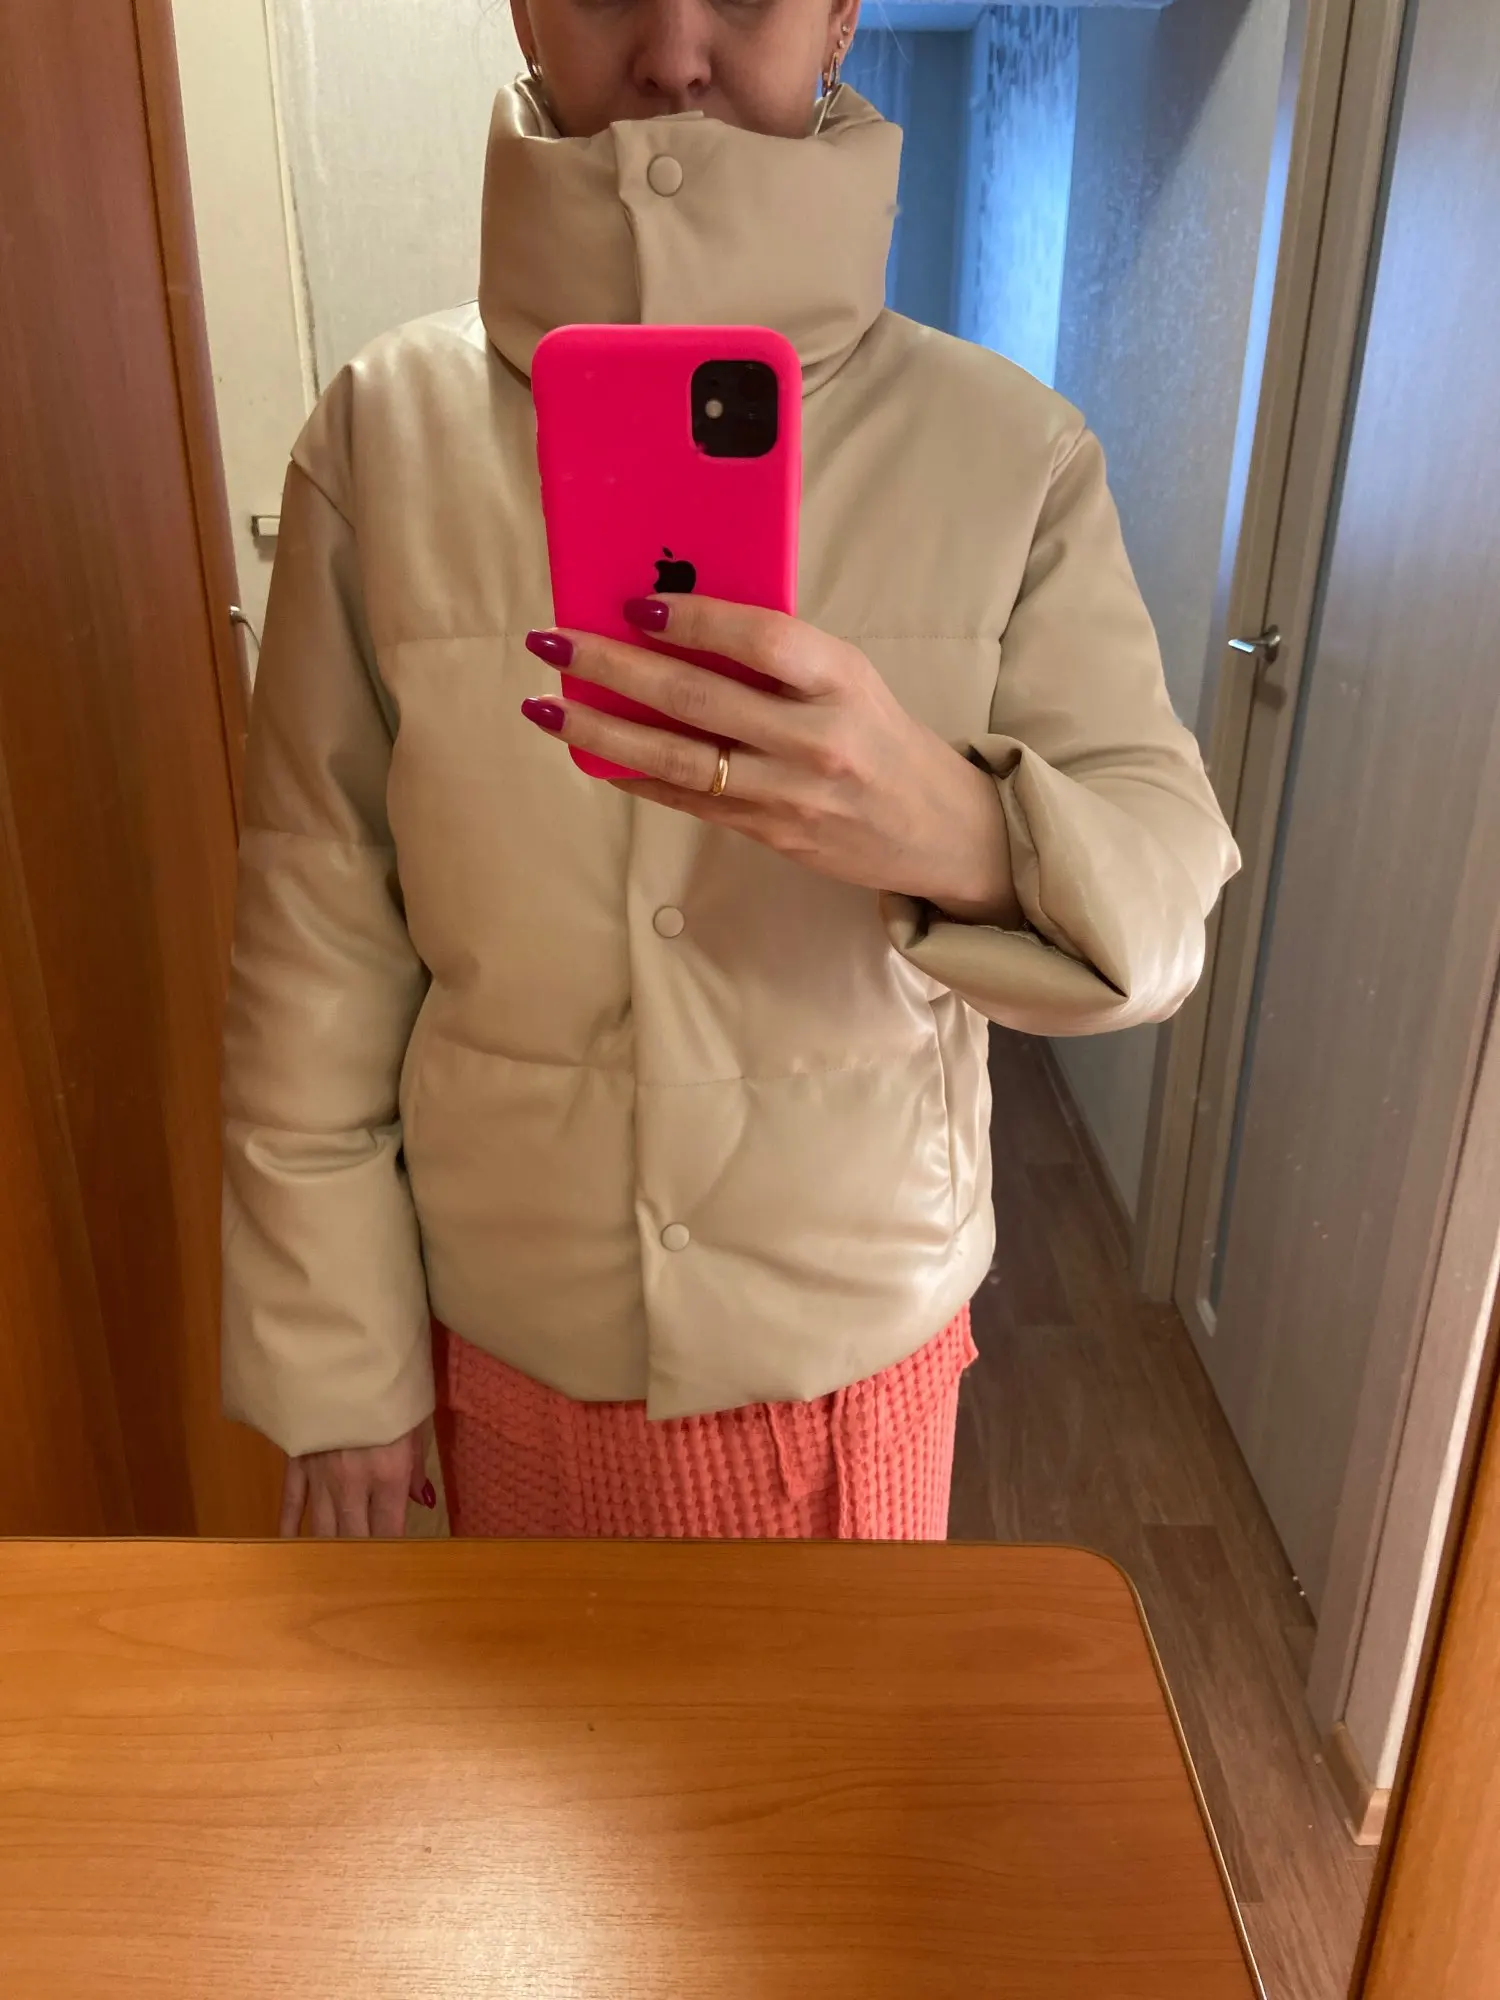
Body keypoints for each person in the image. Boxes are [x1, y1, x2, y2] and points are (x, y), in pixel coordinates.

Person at [221, 0, 1239, 1541]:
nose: (677, 52)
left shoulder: (1007, 453)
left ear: (838, 19)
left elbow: (1165, 907)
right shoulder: (383, 442)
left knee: (853, 1717)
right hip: (500, 1345)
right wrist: (338, 1365)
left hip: (856, 1362)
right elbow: (317, 935)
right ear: (526, 10)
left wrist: (955, 825)